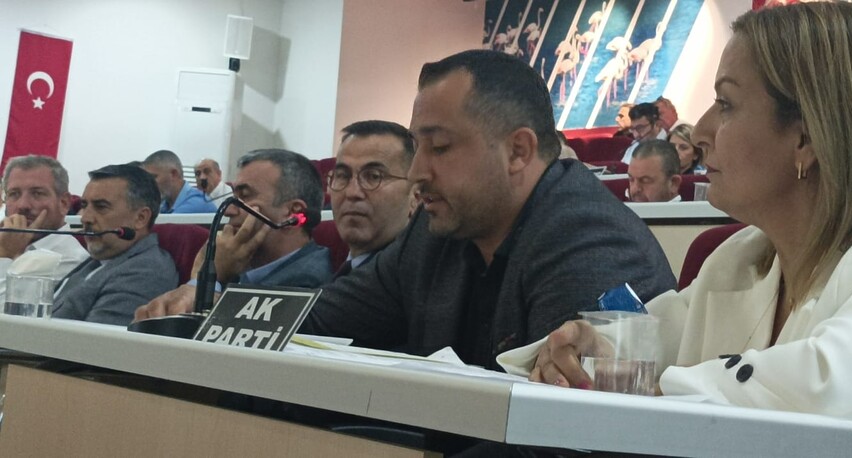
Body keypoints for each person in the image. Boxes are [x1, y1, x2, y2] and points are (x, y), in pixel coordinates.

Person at [504, 3, 852, 457]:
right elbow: (645, 342)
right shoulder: (741, 258)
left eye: (725, 104)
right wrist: (583, 351)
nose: (701, 132)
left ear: (806, 137)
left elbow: (832, 395)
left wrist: (653, 392)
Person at [137, 50, 676, 370]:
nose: (417, 172)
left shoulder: (590, 243)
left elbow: (553, 434)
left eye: (438, 147)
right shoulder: (436, 234)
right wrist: (211, 308)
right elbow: (320, 316)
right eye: (417, 147)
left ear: (518, 151)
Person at [137, 149, 333, 314]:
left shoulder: (307, 282)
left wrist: (211, 279)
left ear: (292, 213)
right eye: (233, 198)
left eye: (245, 196)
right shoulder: (241, 266)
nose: (229, 210)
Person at [52, 164, 177, 325]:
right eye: (84, 206)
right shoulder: (105, 257)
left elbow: (94, 339)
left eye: (101, 207)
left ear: (140, 218)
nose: (85, 218)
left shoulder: (145, 272)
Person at [329, 120, 415, 274]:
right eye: (343, 176)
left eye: (374, 177)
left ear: (416, 196)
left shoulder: (414, 277)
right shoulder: (343, 268)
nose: (352, 193)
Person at [0, 156, 89, 301]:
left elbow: (7, 312)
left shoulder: (70, 259)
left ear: (64, 203)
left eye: (37, 193)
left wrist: (5, 255)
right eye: (14, 194)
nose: (23, 205)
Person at [141, 150, 217, 214]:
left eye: (153, 177)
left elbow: (166, 225)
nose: (149, 183)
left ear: (174, 174)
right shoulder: (165, 205)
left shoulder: (197, 202)